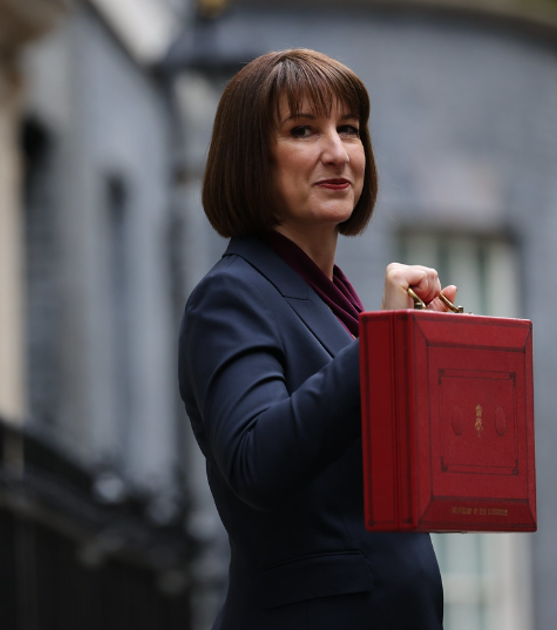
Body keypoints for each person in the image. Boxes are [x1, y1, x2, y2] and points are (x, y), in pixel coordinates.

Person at [177, 48, 458, 628]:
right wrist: (384, 345)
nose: (338, 151)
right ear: (251, 158)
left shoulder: (338, 304)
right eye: (303, 130)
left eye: (349, 129)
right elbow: (256, 459)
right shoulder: (231, 295)